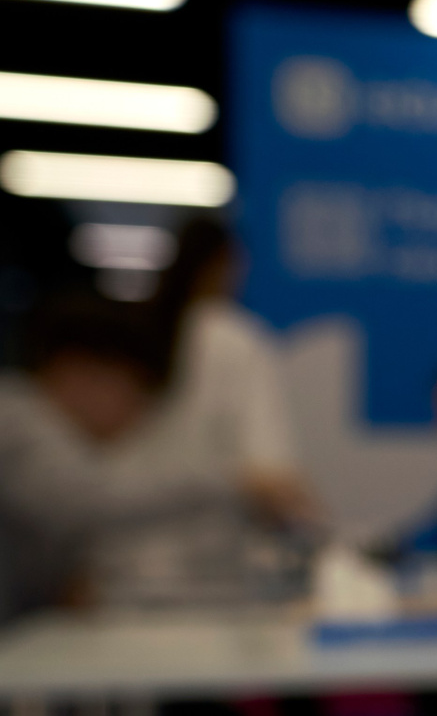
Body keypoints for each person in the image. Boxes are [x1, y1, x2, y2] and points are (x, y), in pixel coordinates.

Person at [90, 218, 315, 603]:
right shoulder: (235, 340)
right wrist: (321, 530)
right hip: (206, 578)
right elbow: (270, 476)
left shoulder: (139, 331)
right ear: (224, 264)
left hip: (116, 567)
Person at [0, 292, 259, 620]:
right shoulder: (16, 414)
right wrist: (237, 482)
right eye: (137, 394)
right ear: (82, 370)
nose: (139, 416)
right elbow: (93, 502)